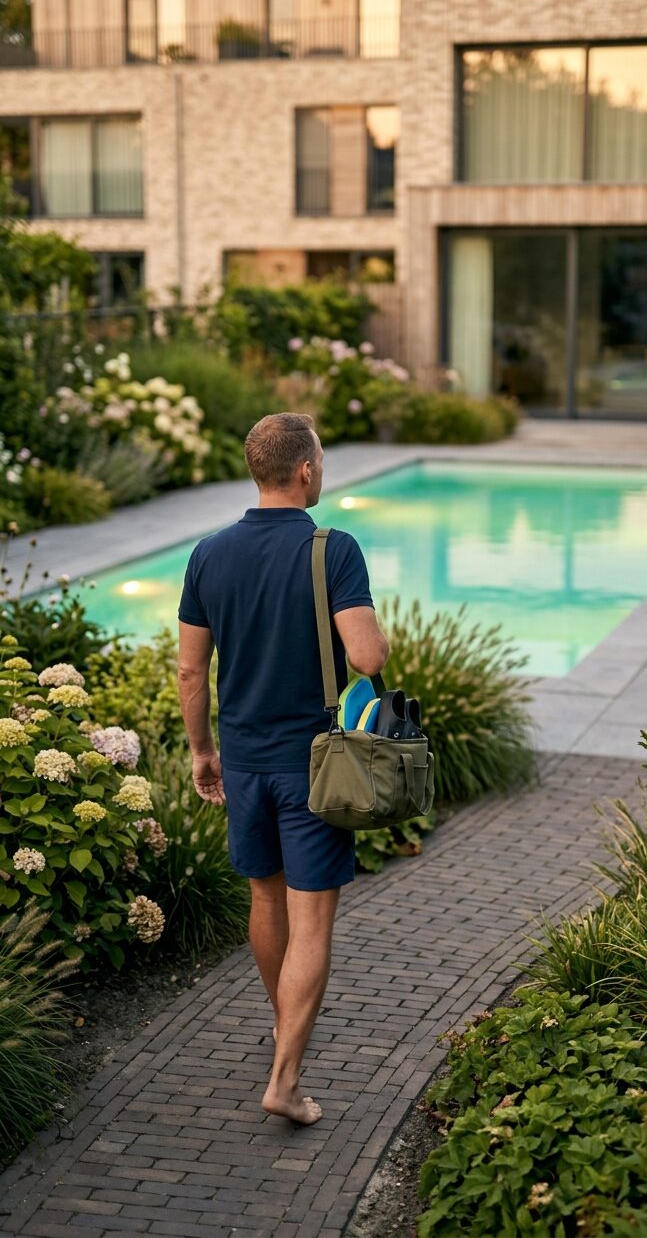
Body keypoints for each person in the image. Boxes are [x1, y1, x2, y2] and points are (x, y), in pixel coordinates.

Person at [177, 411, 389, 1126]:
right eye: (321, 460)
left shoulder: (208, 552)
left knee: (265, 902)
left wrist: (202, 751)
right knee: (313, 922)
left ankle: (282, 1031)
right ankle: (286, 1081)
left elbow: (188, 671)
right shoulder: (334, 548)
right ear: (304, 471)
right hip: (314, 766)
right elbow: (367, 658)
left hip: (242, 758)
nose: (322, 469)